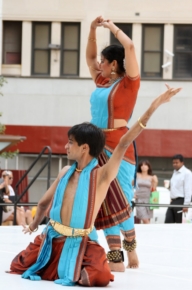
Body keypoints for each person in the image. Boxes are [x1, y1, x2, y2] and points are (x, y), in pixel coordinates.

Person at [8, 85, 181, 287]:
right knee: (18, 265)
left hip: (81, 241)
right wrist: (34, 224)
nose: (65, 146)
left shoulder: (101, 175)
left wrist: (154, 105)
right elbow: (46, 201)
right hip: (52, 237)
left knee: (99, 276)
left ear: (84, 148)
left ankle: (84, 262)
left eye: (70, 142)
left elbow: (125, 142)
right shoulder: (65, 171)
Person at [86, 16, 140, 271]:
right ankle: (115, 256)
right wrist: (92, 30)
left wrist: (111, 27)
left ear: (114, 64)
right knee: (104, 199)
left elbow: (130, 47)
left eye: (104, 62)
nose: (99, 64)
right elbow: (89, 58)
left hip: (119, 147)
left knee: (121, 200)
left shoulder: (129, 83)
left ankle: (131, 252)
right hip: (96, 145)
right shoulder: (102, 81)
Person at [165, 154, 192, 223]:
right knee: (168, 221)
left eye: (177, 162)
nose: (174, 164)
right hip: (173, 201)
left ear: (182, 163)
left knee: (178, 224)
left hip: (181, 201)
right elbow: (175, 188)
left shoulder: (187, 173)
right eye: (173, 163)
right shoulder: (175, 173)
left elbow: (188, 189)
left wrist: (186, 204)